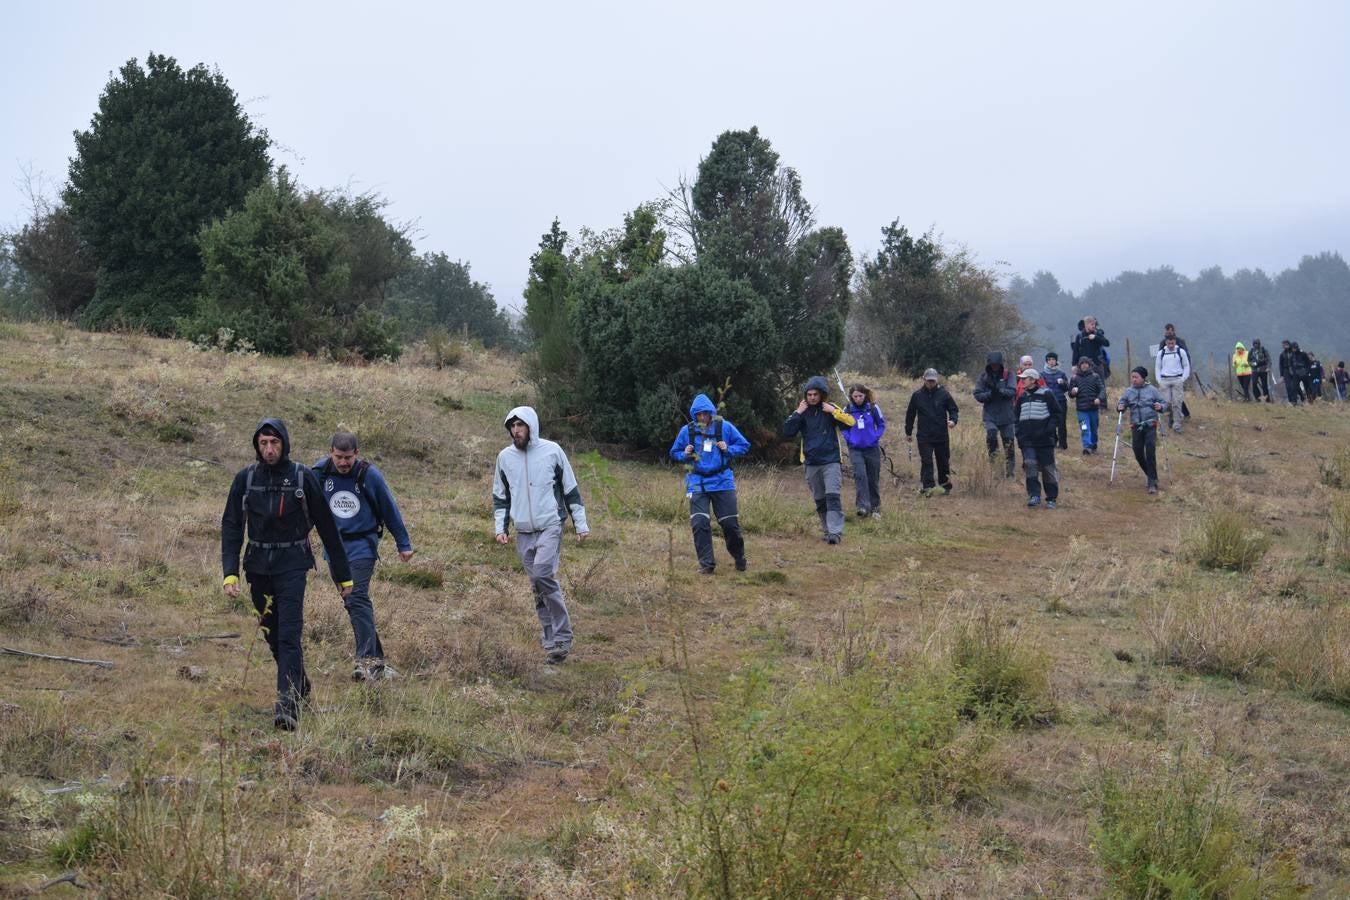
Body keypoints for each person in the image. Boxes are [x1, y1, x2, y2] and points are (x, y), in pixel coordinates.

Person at [221, 418, 353, 731]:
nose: (269, 449)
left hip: (293, 564)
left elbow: (328, 528)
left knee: (289, 634)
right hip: (257, 566)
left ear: (285, 443)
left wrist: (344, 577)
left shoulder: (302, 477)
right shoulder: (245, 479)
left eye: (274, 443)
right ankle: (300, 682)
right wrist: (230, 573)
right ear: (257, 445)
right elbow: (231, 526)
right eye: (263, 443)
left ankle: (287, 706)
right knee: (270, 632)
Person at [314, 430, 414, 682]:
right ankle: (377, 663)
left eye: (348, 457)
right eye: (339, 457)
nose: (343, 462)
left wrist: (403, 543)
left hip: (362, 546)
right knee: (351, 603)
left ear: (356, 454)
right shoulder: (319, 473)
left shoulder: (368, 475)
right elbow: (306, 506)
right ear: (331, 453)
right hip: (333, 549)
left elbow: (389, 508)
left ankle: (367, 662)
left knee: (357, 597)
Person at [493, 406, 589, 664]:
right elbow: (501, 497)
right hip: (523, 531)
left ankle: (563, 635)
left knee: (543, 574)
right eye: (512, 426)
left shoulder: (552, 451)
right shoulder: (504, 458)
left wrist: (580, 524)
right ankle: (551, 642)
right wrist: (500, 528)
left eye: (520, 425)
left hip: (550, 525)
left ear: (531, 427)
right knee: (537, 586)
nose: (516, 431)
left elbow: (570, 490)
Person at [670, 394, 750, 574]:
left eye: (706, 414)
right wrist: (684, 453)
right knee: (699, 523)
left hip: (722, 481)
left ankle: (739, 556)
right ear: (694, 415)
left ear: (711, 413)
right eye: (699, 414)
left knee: (730, 524)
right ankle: (707, 565)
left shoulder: (725, 427)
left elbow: (745, 445)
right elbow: (674, 452)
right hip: (697, 482)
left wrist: (728, 449)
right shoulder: (687, 431)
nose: (703, 418)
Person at [783, 376, 856, 544]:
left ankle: (835, 532)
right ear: (805, 395)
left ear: (822, 394)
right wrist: (798, 413)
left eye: (815, 394)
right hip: (810, 462)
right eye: (809, 394)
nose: (812, 397)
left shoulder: (830, 408)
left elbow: (850, 422)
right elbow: (787, 431)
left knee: (833, 496)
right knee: (820, 499)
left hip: (831, 461)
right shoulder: (801, 412)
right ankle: (827, 530)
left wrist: (833, 412)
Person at [904, 368, 959, 497]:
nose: (930, 383)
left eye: (933, 381)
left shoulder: (944, 394)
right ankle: (928, 487)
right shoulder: (917, 395)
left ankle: (945, 487)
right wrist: (908, 432)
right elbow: (910, 414)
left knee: (943, 461)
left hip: (941, 435)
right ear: (924, 379)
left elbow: (953, 409)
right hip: (924, 435)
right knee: (926, 460)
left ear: (937, 380)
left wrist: (953, 421)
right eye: (928, 381)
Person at [1013, 369, 1061, 508]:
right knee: (1030, 465)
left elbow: (1057, 414)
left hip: (1045, 441)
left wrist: (1048, 431)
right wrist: (1019, 434)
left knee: (1048, 469)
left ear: (1033, 380)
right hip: (1027, 441)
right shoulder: (1022, 397)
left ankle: (1051, 498)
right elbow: (1016, 417)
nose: (1022, 381)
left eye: (1025, 378)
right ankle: (1034, 495)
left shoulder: (1047, 394)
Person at [1117, 367, 1169, 494]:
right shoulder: (1129, 391)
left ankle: (1152, 483)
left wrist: (1160, 406)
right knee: (1138, 453)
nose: (1133, 380)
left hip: (1150, 424)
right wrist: (1120, 407)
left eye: (1136, 377)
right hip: (1135, 426)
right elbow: (1121, 403)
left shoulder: (1152, 391)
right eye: (1132, 377)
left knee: (1150, 451)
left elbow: (1164, 403)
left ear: (1143, 378)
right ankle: (1152, 475)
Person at [842, 384, 887, 518]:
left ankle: (875, 508)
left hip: (872, 448)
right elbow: (843, 427)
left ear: (865, 395)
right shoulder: (848, 409)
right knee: (860, 476)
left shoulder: (873, 408)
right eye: (855, 396)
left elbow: (881, 425)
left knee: (873, 478)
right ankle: (862, 506)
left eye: (860, 396)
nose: (858, 399)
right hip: (855, 449)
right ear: (851, 396)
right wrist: (849, 439)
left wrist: (875, 437)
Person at [973, 352, 1017, 477]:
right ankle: (996, 469)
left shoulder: (1009, 375)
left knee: (1009, 442)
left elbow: (1012, 391)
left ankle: (1010, 472)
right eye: (992, 365)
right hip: (990, 414)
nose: (994, 367)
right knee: (991, 436)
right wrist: (990, 394)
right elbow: (977, 394)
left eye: (997, 365)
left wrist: (999, 391)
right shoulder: (983, 377)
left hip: (1007, 415)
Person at [1068, 357, 1106, 454]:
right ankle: (1087, 447)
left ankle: (1093, 445)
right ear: (1079, 366)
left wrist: (1099, 399)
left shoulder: (1095, 376)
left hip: (1093, 409)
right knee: (1084, 428)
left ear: (1089, 365)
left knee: (1094, 429)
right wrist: (1072, 392)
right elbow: (1070, 394)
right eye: (1082, 363)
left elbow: (1102, 390)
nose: (1084, 365)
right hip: (1082, 410)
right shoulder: (1074, 378)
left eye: (1086, 363)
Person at [1155, 336, 1191, 432]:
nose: (1171, 344)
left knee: (1177, 402)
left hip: (1177, 379)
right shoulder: (1161, 353)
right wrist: (1159, 380)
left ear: (1175, 342)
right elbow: (1158, 367)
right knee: (1165, 403)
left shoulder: (1181, 352)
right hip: (1164, 380)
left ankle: (1177, 425)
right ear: (1166, 342)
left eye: (1172, 342)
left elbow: (1186, 365)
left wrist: (1183, 378)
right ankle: (1171, 416)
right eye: (1169, 342)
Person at [1161, 323, 1191, 418]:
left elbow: (1186, 356)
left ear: (1173, 331)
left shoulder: (1180, 342)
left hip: (1178, 373)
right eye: (1166, 332)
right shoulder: (1162, 342)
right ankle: (1173, 415)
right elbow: (1160, 358)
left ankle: (1184, 414)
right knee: (1169, 396)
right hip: (1166, 374)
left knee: (1177, 397)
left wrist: (1186, 372)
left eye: (1170, 332)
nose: (1168, 334)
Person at [1042, 352, 1071, 449]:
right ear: (1046, 361)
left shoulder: (1061, 374)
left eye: (1053, 359)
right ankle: (1053, 442)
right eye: (1049, 360)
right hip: (1048, 401)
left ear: (1056, 361)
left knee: (1061, 423)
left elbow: (1067, 388)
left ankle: (1063, 444)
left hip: (1061, 401)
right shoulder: (1042, 374)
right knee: (1050, 422)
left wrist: (1062, 383)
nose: (1051, 361)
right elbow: (1041, 387)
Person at [1279, 340, 1303, 404]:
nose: (1284, 346)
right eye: (1283, 345)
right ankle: (1291, 401)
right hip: (1286, 371)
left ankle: (1302, 397)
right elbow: (1280, 365)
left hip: (1294, 370)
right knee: (1288, 386)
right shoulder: (1282, 354)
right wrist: (1281, 375)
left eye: (1286, 344)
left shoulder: (1293, 352)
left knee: (1295, 386)